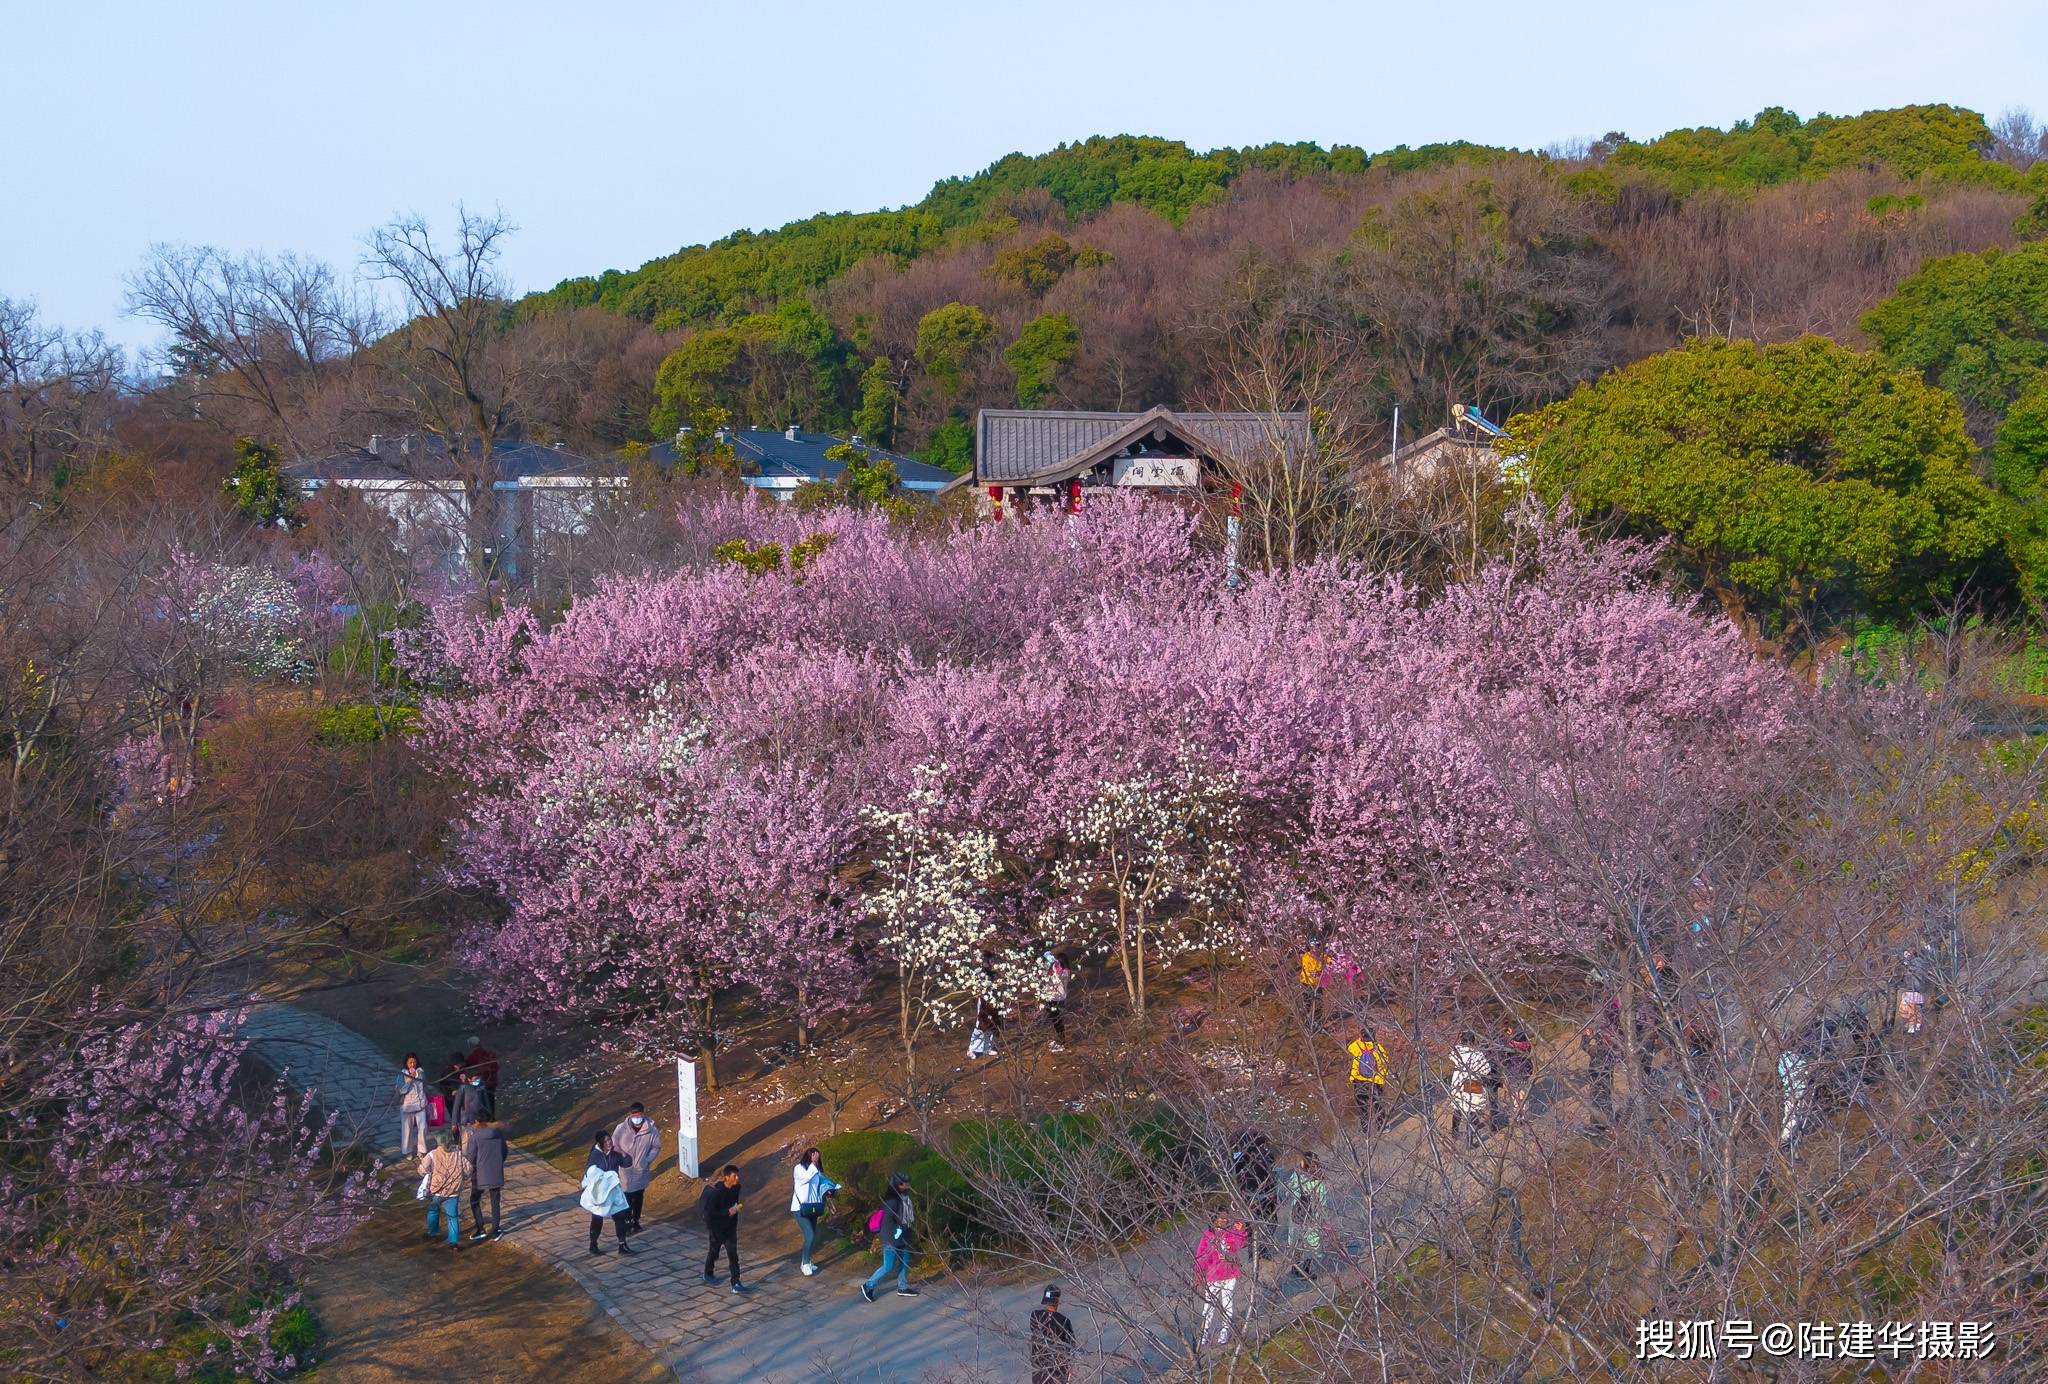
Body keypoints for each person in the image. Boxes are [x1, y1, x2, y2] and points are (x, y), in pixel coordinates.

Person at [860, 1171, 917, 1301]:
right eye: (904, 1183)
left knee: (904, 1261)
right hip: (892, 1237)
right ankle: (868, 1285)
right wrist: (897, 1232)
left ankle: (902, 1287)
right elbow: (887, 1221)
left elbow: (908, 1217)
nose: (907, 1185)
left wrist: (905, 1230)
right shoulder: (892, 1201)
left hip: (904, 1234)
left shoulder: (905, 1197)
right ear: (897, 1185)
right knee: (888, 1265)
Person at [1194, 1211, 1244, 1348]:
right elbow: (1200, 1256)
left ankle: (1225, 1329)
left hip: (1229, 1274)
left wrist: (1241, 1231)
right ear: (1213, 1219)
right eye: (1220, 1218)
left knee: (1227, 1304)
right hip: (1213, 1276)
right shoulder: (1207, 1236)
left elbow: (1241, 1244)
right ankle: (1205, 1331)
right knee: (1208, 1305)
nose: (1223, 1220)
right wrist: (1198, 1275)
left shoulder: (1231, 1233)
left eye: (1225, 1218)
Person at [581, 1130, 635, 1256]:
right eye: (605, 1141)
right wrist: (584, 1183)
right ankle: (593, 1244)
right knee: (597, 1217)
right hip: (600, 1192)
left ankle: (622, 1245)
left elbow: (627, 1164)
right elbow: (590, 1172)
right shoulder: (595, 1155)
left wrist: (622, 1153)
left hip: (614, 1190)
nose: (609, 1142)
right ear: (600, 1143)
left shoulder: (615, 1154)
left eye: (609, 1139)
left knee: (620, 1216)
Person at [610, 1101, 661, 1235]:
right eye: (634, 1115)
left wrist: (647, 1160)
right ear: (630, 1115)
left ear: (643, 1114)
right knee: (625, 1197)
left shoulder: (652, 1130)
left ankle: (636, 1220)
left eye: (639, 1115)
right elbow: (613, 1145)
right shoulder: (621, 1128)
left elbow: (656, 1147)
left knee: (638, 1196)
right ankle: (627, 1221)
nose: (636, 1118)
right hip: (624, 1170)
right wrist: (621, 1157)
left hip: (640, 1170)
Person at [790, 1146, 838, 1275]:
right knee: (809, 1235)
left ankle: (808, 1261)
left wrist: (831, 1188)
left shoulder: (816, 1171)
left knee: (812, 1236)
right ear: (808, 1157)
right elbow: (806, 1178)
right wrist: (814, 1164)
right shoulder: (798, 1169)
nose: (815, 1159)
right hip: (800, 1208)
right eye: (813, 1156)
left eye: (817, 1157)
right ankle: (805, 1263)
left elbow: (821, 1183)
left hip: (813, 1207)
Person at [1282, 1151, 1329, 1278]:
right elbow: (1322, 1204)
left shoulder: (1297, 1176)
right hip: (1312, 1219)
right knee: (1311, 1245)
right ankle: (1306, 1270)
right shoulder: (1320, 1181)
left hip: (1296, 1215)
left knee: (1296, 1242)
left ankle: (1295, 1268)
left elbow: (1287, 1192)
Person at [700, 1164, 746, 1292]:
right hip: (717, 1228)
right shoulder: (717, 1193)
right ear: (726, 1177)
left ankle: (736, 1282)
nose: (737, 1178)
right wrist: (728, 1212)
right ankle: (708, 1273)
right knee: (714, 1252)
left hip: (730, 1228)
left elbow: (734, 1203)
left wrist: (735, 1209)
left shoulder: (736, 1188)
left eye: (738, 1175)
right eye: (734, 1176)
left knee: (733, 1255)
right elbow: (710, 1213)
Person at [419, 1130, 466, 1249]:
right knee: (453, 1216)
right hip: (453, 1191)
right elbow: (468, 1170)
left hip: (437, 1190)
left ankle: (433, 1233)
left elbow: (422, 1170)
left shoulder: (432, 1154)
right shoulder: (459, 1154)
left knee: (433, 1211)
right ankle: (454, 1242)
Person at [464, 1113, 507, 1241]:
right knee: (495, 1201)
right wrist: (498, 1163)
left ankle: (480, 1228)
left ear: (477, 1121)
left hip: (479, 1174)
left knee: (475, 1200)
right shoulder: (498, 1134)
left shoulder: (475, 1138)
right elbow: (504, 1152)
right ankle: (495, 1231)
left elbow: (471, 1157)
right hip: (495, 1171)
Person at [1448, 1030, 1493, 1148]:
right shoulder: (1477, 1055)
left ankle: (1454, 1131)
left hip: (1458, 1080)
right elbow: (1486, 1070)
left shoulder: (1456, 1050)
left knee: (1458, 1106)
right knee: (1470, 1110)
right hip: (1472, 1082)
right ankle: (1469, 1141)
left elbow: (1451, 1057)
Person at [1029, 1285, 1075, 1384]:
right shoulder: (1064, 1321)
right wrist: (1070, 1369)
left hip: (1038, 1364)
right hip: (1058, 1366)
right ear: (1058, 1300)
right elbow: (1071, 1345)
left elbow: (1034, 1331)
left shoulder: (1034, 1315)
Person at [1347, 1025, 1389, 1131]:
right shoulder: (1378, 1048)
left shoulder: (1355, 1046)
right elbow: (1384, 1064)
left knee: (1362, 1105)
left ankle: (1365, 1128)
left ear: (1361, 1036)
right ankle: (1382, 1127)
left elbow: (1349, 1049)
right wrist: (1382, 1080)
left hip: (1359, 1080)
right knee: (1377, 1104)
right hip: (1375, 1081)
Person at [1495, 1015, 1535, 1122]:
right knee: (1520, 1093)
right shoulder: (1521, 1037)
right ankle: (1522, 1115)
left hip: (1515, 1069)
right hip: (1521, 1068)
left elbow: (1502, 1057)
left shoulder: (1506, 1042)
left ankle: (1520, 1115)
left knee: (1518, 1093)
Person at [395, 1053, 429, 1156]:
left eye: (414, 1062)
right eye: (410, 1062)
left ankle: (421, 1150)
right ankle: (408, 1151)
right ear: (406, 1063)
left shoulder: (421, 1072)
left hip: (420, 1104)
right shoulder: (402, 1074)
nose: (412, 1064)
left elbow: (425, 1085)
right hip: (407, 1105)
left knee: (423, 1128)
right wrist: (409, 1080)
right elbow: (401, 1090)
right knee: (407, 1130)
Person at [1038, 951, 1071, 1051]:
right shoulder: (1061, 969)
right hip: (1055, 998)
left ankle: (1062, 1042)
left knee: (1057, 1021)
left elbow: (1058, 978)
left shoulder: (1064, 972)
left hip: (1055, 998)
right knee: (1055, 1020)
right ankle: (1061, 1040)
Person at [464, 1034, 500, 1109]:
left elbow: (466, 1066)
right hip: (493, 1080)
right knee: (491, 1098)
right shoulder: (490, 1053)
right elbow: (496, 1066)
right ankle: (492, 1116)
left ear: (470, 1045)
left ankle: (485, 1117)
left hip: (482, 1081)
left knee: (482, 1099)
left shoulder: (474, 1055)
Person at [449, 1068, 486, 1137]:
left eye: (479, 1078)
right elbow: (456, 1106)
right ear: (469, 1079)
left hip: (478, 1121)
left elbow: (484, 1104)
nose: (477, 1081)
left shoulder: (481, 1087)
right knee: (467, 1142)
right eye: (475, 1079)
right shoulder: (463, 1088)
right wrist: (454, 1123)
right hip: (466, 1121)